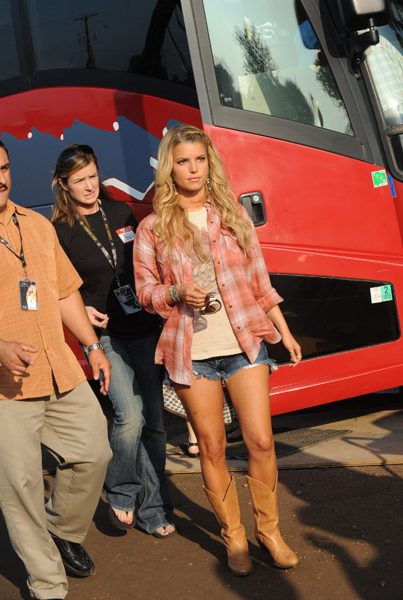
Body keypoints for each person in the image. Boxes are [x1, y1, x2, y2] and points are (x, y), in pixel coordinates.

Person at [133, 124, 302, 576]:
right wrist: (175, 294)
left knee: (261, 441)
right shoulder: (152, 228)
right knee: (210, 448)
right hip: (191, 350)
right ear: (171, 167)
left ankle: (269, 531)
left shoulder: (233, 216)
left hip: (244, 343)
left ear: (210, 164)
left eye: (200, 159)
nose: (193, 169)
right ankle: (234, 537)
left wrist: (283, 333)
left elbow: (260, 285)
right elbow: (145, 291)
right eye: (183, 160)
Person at [0, 136, 112, 600]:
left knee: (93, 451)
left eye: (2, 167)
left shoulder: (37, 224)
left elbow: (64, 291)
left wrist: (92, 345)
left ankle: (61, 531)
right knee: (20, 488)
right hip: (2, 386)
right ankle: (47, 584)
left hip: (58, 367)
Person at [50, 144, 175, 538]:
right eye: (79, 180)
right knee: (130, 416)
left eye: (92, 176)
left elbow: (148, 263)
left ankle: (153, 511)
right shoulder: (59, 232)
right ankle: (121, 490)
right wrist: (83, 309)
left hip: (145, 328)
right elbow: (57, 289)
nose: (89, 186)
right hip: (107, 337)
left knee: (154, 425)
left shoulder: (121, 212)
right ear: (63, 185)